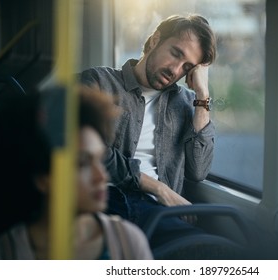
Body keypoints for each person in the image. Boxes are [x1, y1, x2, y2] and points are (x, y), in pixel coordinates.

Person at [79, 14, 217, 248]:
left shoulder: (187, 103)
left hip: (161, 212)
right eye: (175, 53)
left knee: (217, 248)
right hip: (109, 199)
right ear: (155, 40)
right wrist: (158, 188)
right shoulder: (98, 82)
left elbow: (198, 171)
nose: (175, 70)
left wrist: (203, 96)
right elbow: (93, 152)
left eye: (187, 67)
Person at [0, 87, 153, 260]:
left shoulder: (127, 242)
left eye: (99, 160)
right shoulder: (1, 255)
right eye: (82, 164)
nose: (102, 177)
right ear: (42, 178)